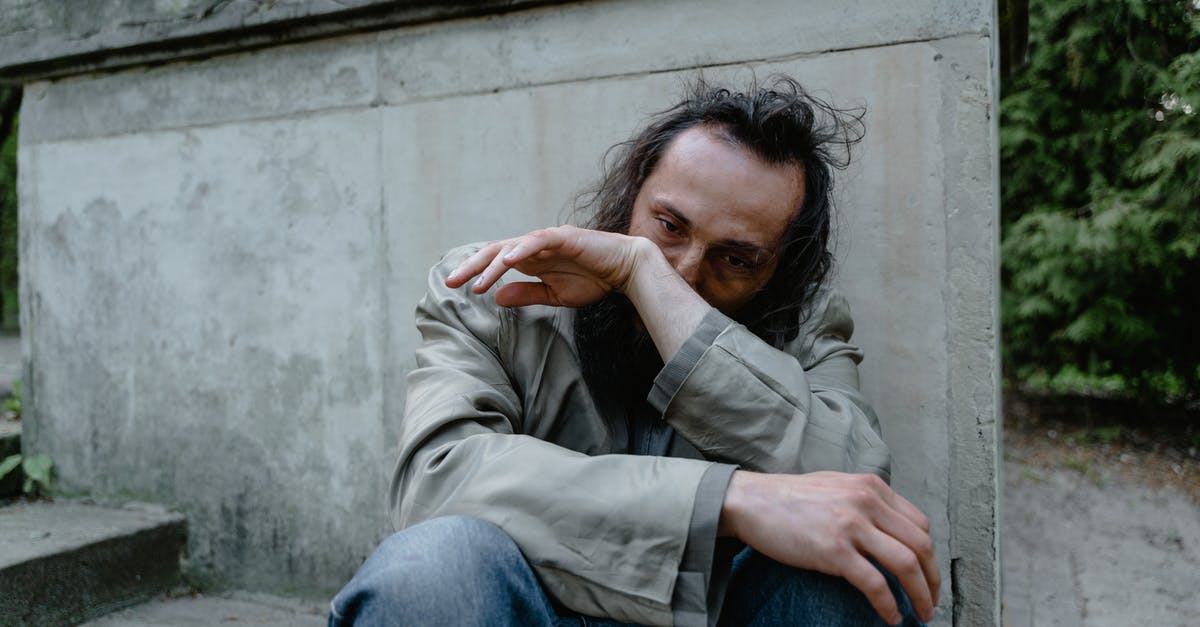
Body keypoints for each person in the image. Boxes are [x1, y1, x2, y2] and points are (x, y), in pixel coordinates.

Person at [329, 76, 940, 627]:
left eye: (735, 259)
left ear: (778, 273)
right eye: (668, 227)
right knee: (432, 568)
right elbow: (436, 482)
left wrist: (649, 277)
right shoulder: (492, 287)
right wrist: (727, 501)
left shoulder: (802, 324)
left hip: (723, 614)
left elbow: (854, 482)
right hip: (537, 607)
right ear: (629, 196)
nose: (684, 272)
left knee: (862, 566)